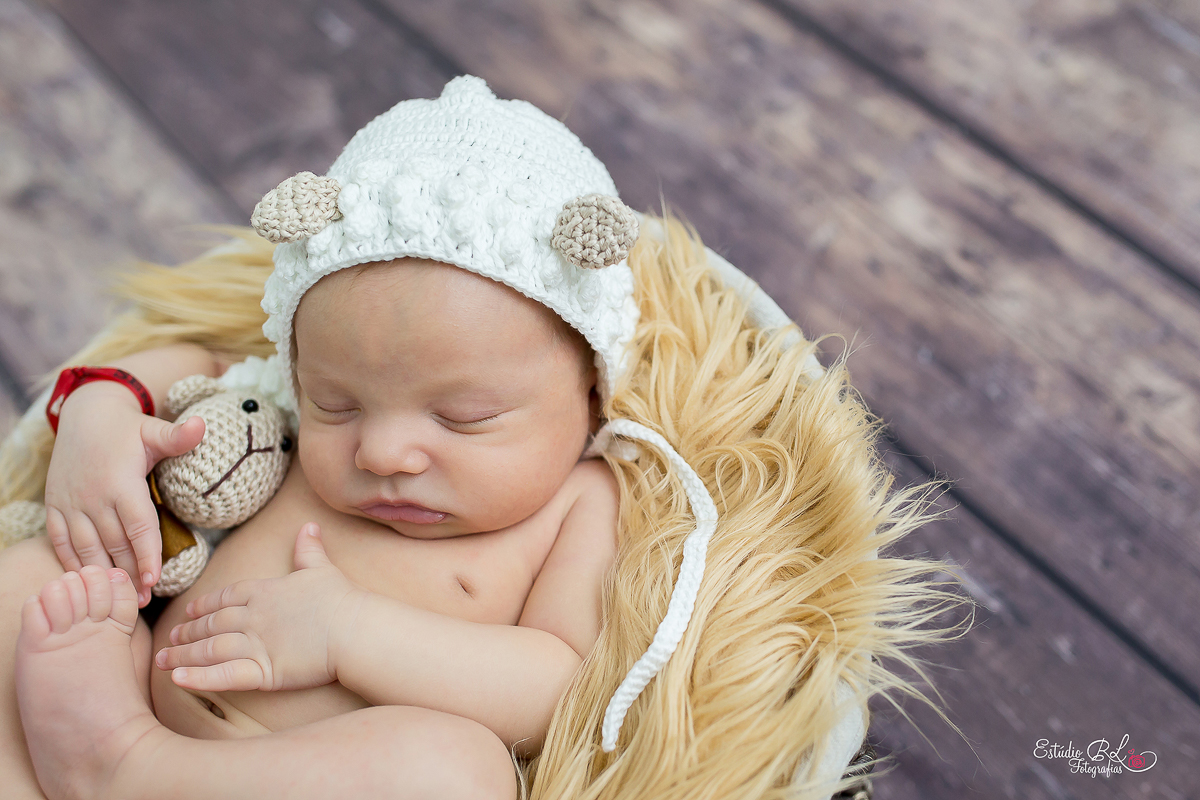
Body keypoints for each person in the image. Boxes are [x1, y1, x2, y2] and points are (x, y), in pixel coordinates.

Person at [3, 75, 657, 800]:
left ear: (592, 398)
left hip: (314, 773)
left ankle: (125, 770)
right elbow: (197, 363)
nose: (380, 454)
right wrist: (99, 412)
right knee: (38, 580)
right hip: (128, 692)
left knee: (459, 773)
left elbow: (557, 686)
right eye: (337, 406)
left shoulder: (582, 498)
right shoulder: (286, 395)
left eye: (462, 418)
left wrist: (348, 632)